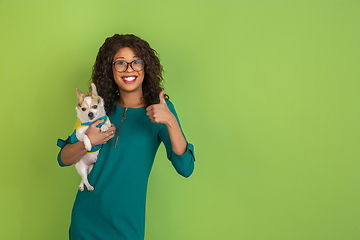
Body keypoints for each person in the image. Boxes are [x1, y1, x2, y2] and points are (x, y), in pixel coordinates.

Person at [56, 34, 195, 239]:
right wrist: (89, 142)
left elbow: (186, 168)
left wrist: (171, 121)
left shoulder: (160, 110)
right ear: (109, 69)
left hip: (126, 226)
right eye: (120, 63)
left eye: (136, 62)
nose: (129, 69)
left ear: (145, 67)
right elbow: (63, 158)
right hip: (85, 221)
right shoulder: (98, 109)